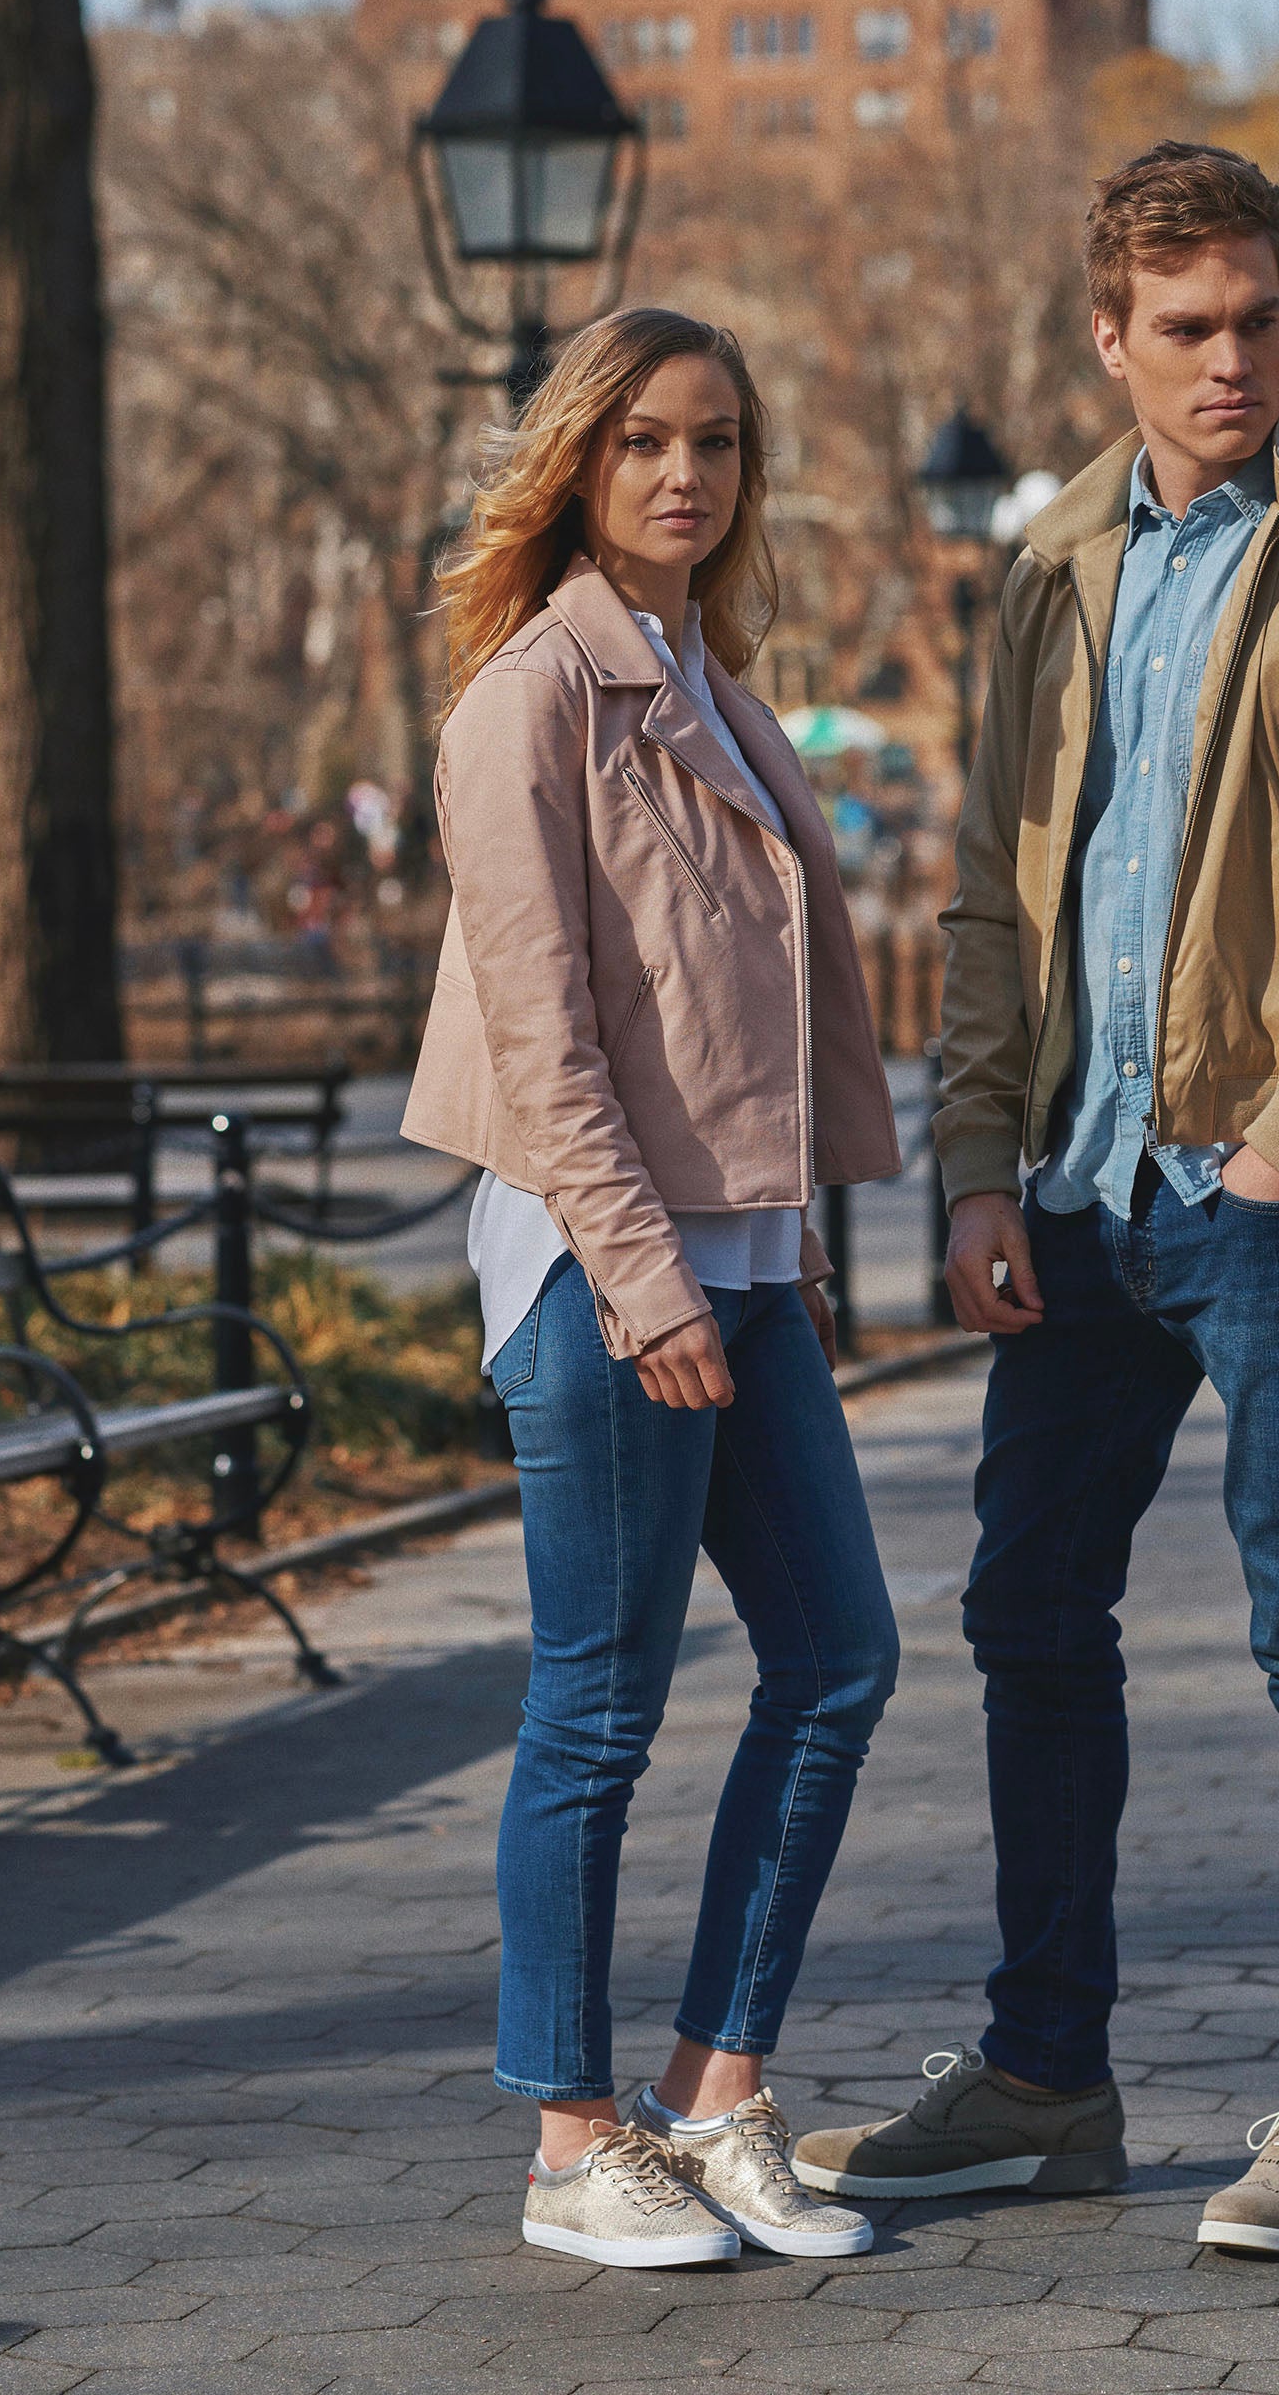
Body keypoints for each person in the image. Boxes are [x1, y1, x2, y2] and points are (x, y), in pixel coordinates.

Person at [792, 144, 1279, 2255]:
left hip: (1273, 1195)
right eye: (1185, 327)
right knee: (1028, 1611)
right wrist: (974, 1167)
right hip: (1081, 1207)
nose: (1228, 359)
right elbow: (997, 901)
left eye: (1258, 320)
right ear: (1107, 339)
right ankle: (1047, 2076)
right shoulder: (1048, 571)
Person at [401, 308, 903, 2270]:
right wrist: (647, 1278)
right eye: (640, 444)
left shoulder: (714, 684)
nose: (681, 474)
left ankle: (711, 2094)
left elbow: (747, 1025)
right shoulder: (534, 698)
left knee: (840, 1660)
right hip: (603, 1277)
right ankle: (567, 2136)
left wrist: (786, 1250)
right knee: (599, 1713)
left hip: (736, 1270)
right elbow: (547, 1033)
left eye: (712, 443)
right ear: (576, 466)